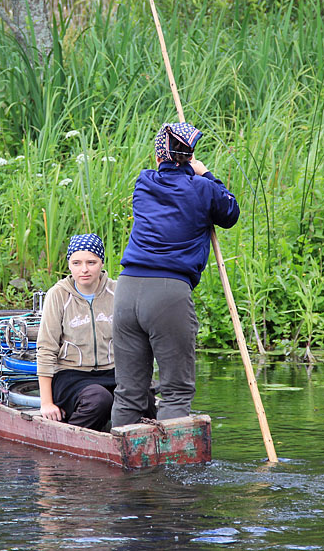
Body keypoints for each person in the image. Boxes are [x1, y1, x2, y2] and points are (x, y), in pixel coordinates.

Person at [110, 122, 240, 427]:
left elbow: (169, 180)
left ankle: (119, 469)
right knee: (175, 394)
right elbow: (230, 213)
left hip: (127, 292)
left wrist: (189, 168)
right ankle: (172, 473)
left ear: (158, 158)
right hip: (168, 293)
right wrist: (206, 174)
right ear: (190, 158)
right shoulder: (203, 189)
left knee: (129, 393)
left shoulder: (143, 184)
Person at [36, 233, 117, 431]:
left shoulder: (118, 291)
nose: (84, 269)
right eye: (77, 262)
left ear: (101, 263)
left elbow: (136, 341)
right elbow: (46, 348)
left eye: (91, 262)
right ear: (69, 265)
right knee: (99, 399)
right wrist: (46, 403)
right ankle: (71, 439)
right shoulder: (58, 295)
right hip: (72, 375)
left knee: (145, 399)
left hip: (114, 372)